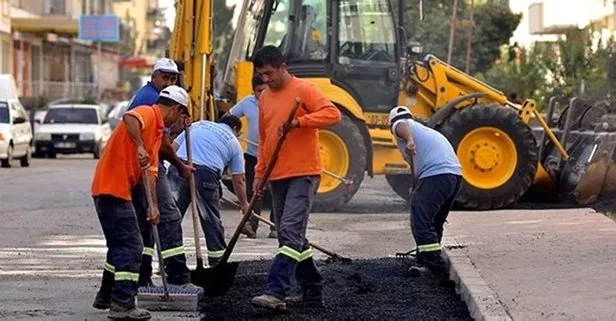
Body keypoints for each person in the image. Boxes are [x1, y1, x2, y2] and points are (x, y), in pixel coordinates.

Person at [249, 45, 341, 310]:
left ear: (282, 67)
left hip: (303, 172)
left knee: (288, 230)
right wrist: (259, 173)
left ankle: (275, 291)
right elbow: (265, 139)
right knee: (290, 236)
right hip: (277, 174)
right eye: (261, 75)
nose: (265, 79)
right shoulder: (265, 97)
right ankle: (312, 290)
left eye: (269, 73)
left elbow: (332, 114)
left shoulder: (304, 90)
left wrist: (300, 122)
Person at [90, 85, 191, 320]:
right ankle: (123, 305)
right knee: (132, 246)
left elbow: (150, 174)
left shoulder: (156, 133)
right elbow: (130, 117)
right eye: (182, 115)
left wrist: (153, 206)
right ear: (175, 109)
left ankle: (106, 295)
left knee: (120, 246)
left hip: (116, 190)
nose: (180, 121)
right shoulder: (148, 113)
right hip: (112, 189)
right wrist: (139, 146)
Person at [122, 58, 195, 289]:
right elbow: (161, 144)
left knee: (146, 225)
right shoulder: (149, 99)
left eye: (173, 78)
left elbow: (162, 138)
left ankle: (141, 277)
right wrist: (180, 164)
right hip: (145, 167)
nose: (168, 82)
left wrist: (176, 128)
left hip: (145, 166)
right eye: (165, 77)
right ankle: (177, 277)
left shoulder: (156, 99)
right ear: (154, 76)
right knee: (169, 217)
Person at [388, 106, 462, 278]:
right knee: (434, 221)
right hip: (454, 176)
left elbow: (401, 125)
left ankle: (435, 267)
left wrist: (409, 140)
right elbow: (417, 165)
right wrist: (415, 186)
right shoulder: (426, 132)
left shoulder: (402, 126)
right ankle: (426, 260)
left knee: (420, 219)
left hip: (436, 174)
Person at [168, 115, 249, 266]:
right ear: (236, 129)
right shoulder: (234, 142)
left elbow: (172, 148)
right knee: (210, 220)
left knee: (172, 217)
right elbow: (239, 179)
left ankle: (171, 263)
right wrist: (244, 204)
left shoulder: (199, 125)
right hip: (205, 175)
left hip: (178, 168)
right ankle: (217, 262)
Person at [225, 74, 276, 239]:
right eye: (259, 90)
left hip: (274, 155)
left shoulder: (276, 101)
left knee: (276, 190)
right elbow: (229, 116)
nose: (262, 93)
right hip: (253, 155)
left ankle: (276, 227)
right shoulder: (248, 102)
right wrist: (231, 131)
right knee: (253, 191)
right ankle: (252, 226)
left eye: (265, 89)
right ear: (253, 91)